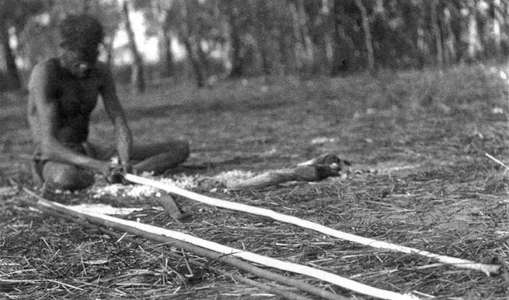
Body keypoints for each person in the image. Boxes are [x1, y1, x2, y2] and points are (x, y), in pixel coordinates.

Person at [27, 14, 189, 191]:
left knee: (179, 148)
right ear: (64, 49)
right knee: (65, 178)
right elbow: (47, 145)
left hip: (88, 151)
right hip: (54, 158)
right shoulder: (46, 73)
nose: (85, 67)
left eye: (90, 60)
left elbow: (119, 120)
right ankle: (101, 176)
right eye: (78, 60)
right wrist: (98, 166)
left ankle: (131, 173)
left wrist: (125, 160)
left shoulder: (100, 71)